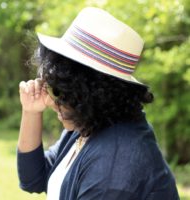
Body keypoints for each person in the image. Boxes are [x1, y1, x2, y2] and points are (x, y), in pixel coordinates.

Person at [17, 7, 179, 200]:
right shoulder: (89, 125)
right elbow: (33, 179)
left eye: (61, 92)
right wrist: (31, 112)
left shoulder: (115, 164)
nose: (51, 101)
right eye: (54, 87)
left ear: (93, 95)